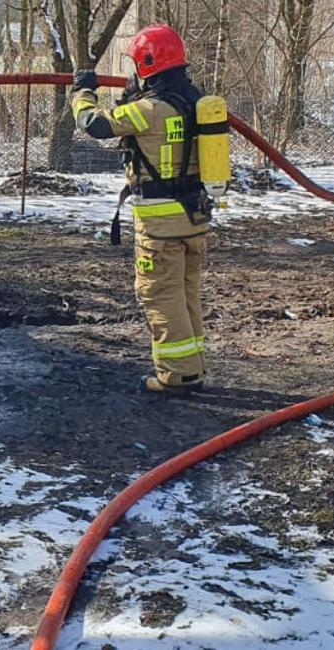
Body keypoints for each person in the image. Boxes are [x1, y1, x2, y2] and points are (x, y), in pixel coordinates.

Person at [69, 25, 230, 394]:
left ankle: (176, 376)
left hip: (160, 225)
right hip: (194, 218)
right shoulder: (195, 102)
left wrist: (82, 92)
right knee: (186, 293)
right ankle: (192, 367)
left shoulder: (148, 110)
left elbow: (93, 124)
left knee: (159, 294)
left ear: (147, 64)